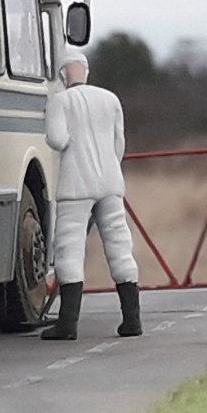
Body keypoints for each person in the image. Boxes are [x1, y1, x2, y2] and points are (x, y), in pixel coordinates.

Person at [41, 48, 141, 341]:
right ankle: (132, 319)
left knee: (69, 248)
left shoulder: (60, 101)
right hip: (110, 182)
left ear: (62, 74)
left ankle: (68, 323)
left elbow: (56, 139)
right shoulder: (110, 99)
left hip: (76, 184)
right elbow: (119, 144)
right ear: (87, 70)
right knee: (120, 245)